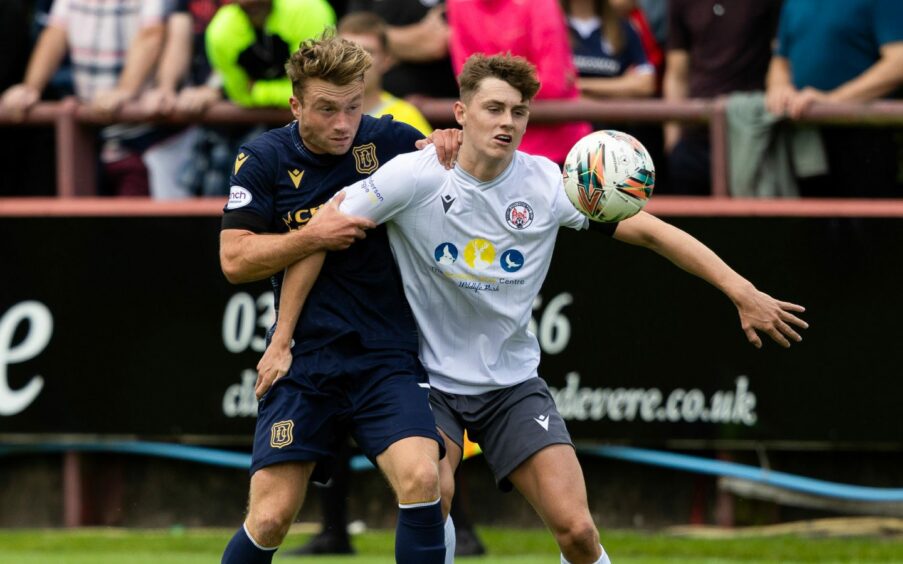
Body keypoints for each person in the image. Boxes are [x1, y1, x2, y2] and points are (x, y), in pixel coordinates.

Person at [261, 53, 809, 564]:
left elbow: (654, 233)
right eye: (494, 108)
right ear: (461, 112)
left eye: (519, 111)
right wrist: (282, 338)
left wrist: (742, 291)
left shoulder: (550, 186)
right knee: (432, 490)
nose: (507, 122)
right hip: (426, 380)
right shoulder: (416, 174)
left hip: (512, 385)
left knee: (576, 530)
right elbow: (320, 235)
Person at [219, 33, 461, 564]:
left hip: (385, 355)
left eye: (353, 107)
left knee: (424, 479)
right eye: (326, 109)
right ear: (295, 104)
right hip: (304, 361)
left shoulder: (391, 139)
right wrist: (312, 235)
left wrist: (446, 143)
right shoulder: (262, 158)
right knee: (270, 517)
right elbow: (234, 260)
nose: (342, 124)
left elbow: (454, 174)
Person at [1, 0, 169, 196]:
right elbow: (55, 34)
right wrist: (31, 88)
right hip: (95, 138)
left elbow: (152, 35)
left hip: (146, 139)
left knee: (141, 222)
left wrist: (124, 91)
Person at [765, 0, 903, 197]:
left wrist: (835, 101)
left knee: (866, 223)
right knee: (808, 223)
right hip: (803, 138)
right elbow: (780, 61)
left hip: (864, 139)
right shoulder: (793, 3)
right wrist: (779, 89)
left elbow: (899, 61)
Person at [446, 0, 591, 164]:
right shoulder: (458, 4)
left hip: (557, 152)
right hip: (492, 153)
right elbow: (468, 80)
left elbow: (553, 82)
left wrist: (490, 91)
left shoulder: (540, 3)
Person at [664, 0, 781, 195]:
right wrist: (672, 140)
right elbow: (676, 74)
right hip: (694, 136)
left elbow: (780, 62)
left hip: (748, 134)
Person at [206, 0, 336, 109]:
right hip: (256, 121)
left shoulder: (307, 10)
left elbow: (315, 90)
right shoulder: (221, 30)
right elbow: (240, 95)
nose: (252, 2)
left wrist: (258, 90)